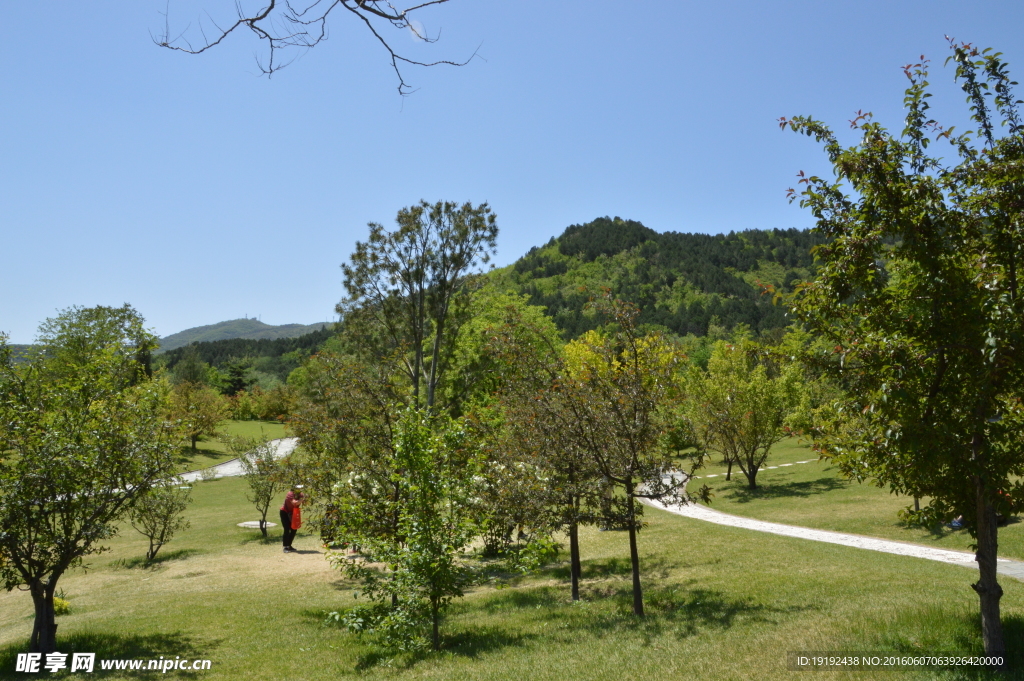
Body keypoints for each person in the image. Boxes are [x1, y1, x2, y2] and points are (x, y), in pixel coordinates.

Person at [280, 485, 305, 553]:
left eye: (300, 488)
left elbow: (305, 503)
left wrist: (305, 499)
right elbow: (295, 503)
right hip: (285, 512)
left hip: (293, 513)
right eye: (298, 488)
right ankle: (285, 547)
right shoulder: (290, 494)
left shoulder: (301, 494)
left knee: (294, 529)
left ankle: (289, 545)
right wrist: (303, 499)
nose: (300, 489)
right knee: (287, 529)